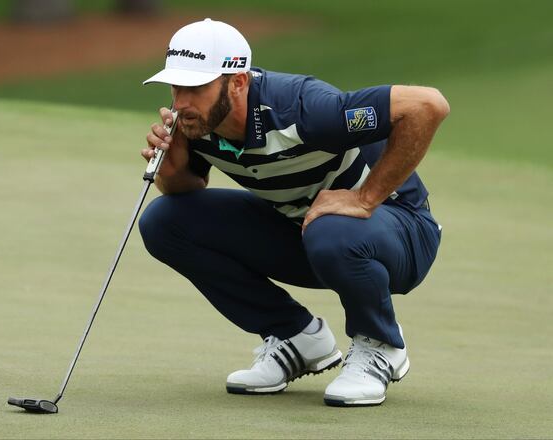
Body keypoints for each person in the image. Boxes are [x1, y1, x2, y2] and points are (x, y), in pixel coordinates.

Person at [139, 18, 448, 407]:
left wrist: (366, 197)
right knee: (164, 221)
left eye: (196, 87)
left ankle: (381, 345)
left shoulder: (304, 108)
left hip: (402, 234)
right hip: (307, 232)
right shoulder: (195, 123)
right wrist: (172, 170)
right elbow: (186, 193)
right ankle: (296, 338)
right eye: (176, 85)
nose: (182, 101)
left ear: (237, 82)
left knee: (330, 229)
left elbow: (428, 105)